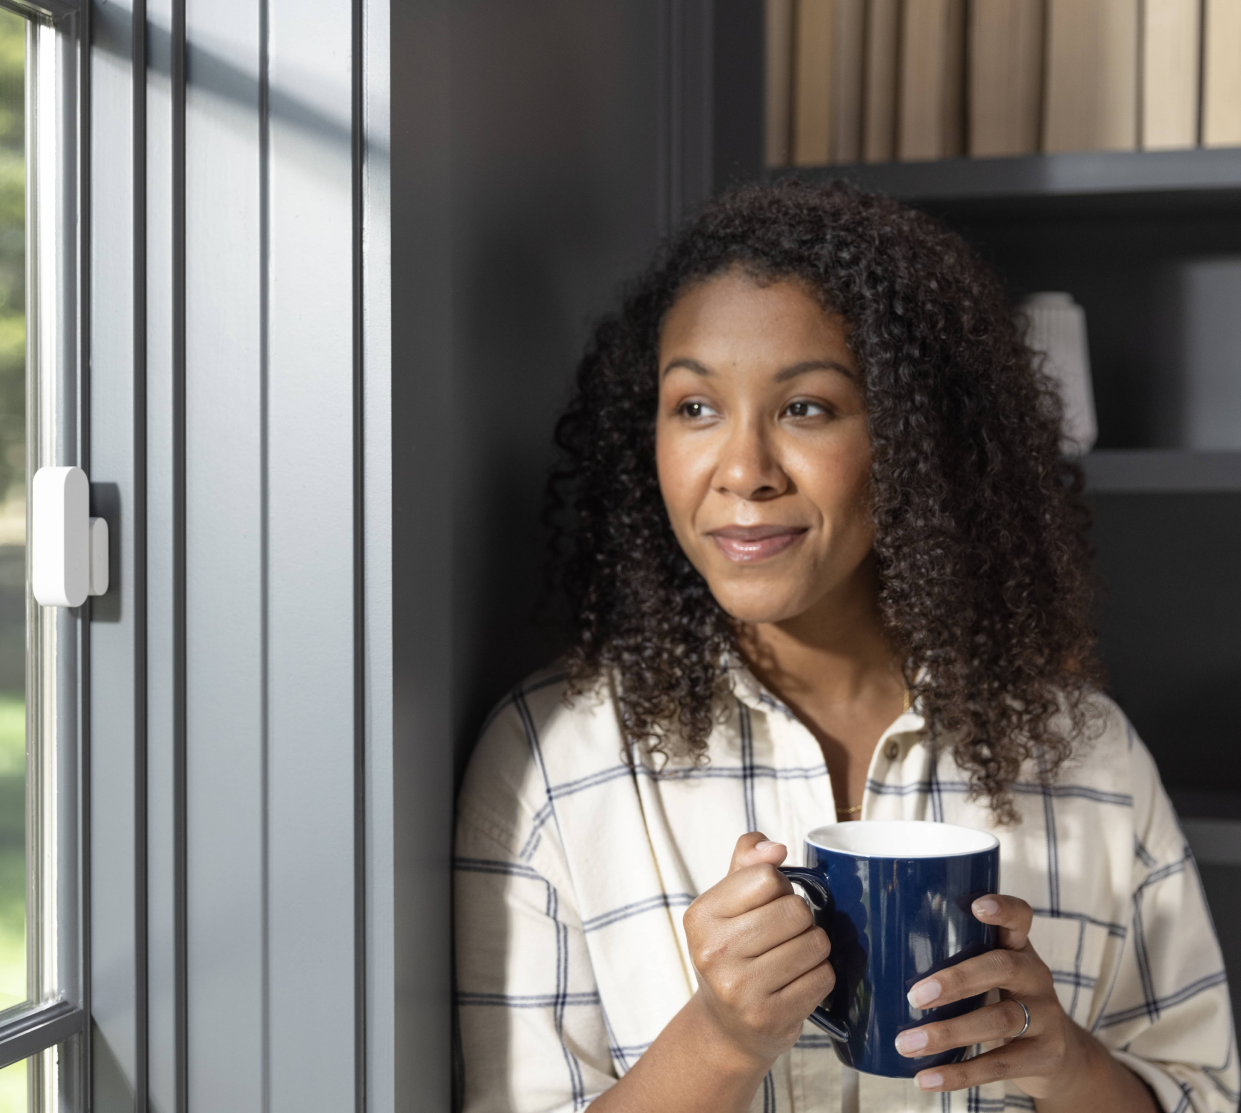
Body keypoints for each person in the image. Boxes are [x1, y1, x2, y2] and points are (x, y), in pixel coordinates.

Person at [453, 181, 1237, 1113]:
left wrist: (1063, 1062)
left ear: (911, 441)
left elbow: (1202, 1095)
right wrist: (720, 1040)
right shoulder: (554, 760)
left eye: (807, 409)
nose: (742, 471)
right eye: (695, 408)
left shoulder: (1089, 755)